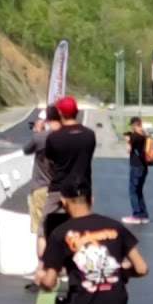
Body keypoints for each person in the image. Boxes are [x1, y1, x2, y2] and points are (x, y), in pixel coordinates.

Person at [41, 95, 97, 237]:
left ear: (60, 113)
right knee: (82, 233)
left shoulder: (54, 138)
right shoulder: (89, 135)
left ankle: (44, 259)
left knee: (45, 232)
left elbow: (48, 165)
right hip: (82, 190)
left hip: (58, 189)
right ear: (76, 111)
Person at [23, 106, 62, 287]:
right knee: (59, 229)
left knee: (41, 230)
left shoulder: (41, 138)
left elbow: (26, 149)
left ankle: (42, 267)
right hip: (60, 188)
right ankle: (60, 267)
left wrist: (37, 130)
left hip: (41, 187)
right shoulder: (66, 138)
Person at [123, 117, 151, 224]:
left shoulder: (134, 137)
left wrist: (128, 141)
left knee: (133, 191)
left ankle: (136, 214)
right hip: (144, 166)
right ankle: (143, 214)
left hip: (136, 165)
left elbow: (128, 150)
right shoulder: (145, 136)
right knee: (139, 190)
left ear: (135, 124)